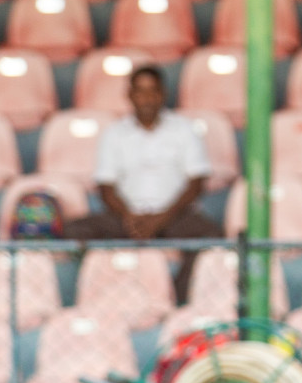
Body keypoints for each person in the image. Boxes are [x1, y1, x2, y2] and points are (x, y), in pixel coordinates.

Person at [64, 66, 220, 303]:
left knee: (212, 237)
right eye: (140, 92)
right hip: (126, 217)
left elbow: (196, 183)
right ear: (130, 95)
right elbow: (106, 187)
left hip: (173, 216)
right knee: (73, 232)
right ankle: (95, 298)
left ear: (163, 94)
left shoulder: (184, 129)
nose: (147, 98)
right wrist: (130, 217)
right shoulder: (114, 134)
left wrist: (160, 218)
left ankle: (179, 300)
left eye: (152, 92)